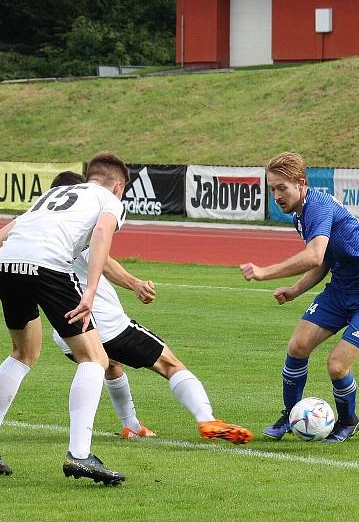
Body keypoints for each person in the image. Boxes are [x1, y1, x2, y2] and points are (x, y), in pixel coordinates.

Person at [50, 171, 253, 445]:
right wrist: (135, 284)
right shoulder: (80, 223)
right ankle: (207, 418)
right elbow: (104, 262)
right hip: (106, 323)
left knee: (109, 365)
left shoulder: (45, 228)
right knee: (169, 364)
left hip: (65, 329)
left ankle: (131, 426)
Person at [0, 152, 130, 486]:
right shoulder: (108, 199)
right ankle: (80, 455)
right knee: (94, 357)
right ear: (118, 185)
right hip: (48, 266)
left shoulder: (52, 196)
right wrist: (90, 290)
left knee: (22, 353)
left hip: (8, 265)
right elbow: (102, 234)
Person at [240, 151, 359, 443]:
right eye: (272, 188)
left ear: (301, 184)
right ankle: (290, 414)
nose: (276, 196)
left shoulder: (319, 207)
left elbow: (313, 256)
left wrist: (264, 272)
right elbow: (325, 261)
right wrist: (295, 290)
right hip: (340, 289)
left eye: (282, 188)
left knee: (337, 366)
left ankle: (348, 421)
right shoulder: (301, 214)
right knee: (298, 345)